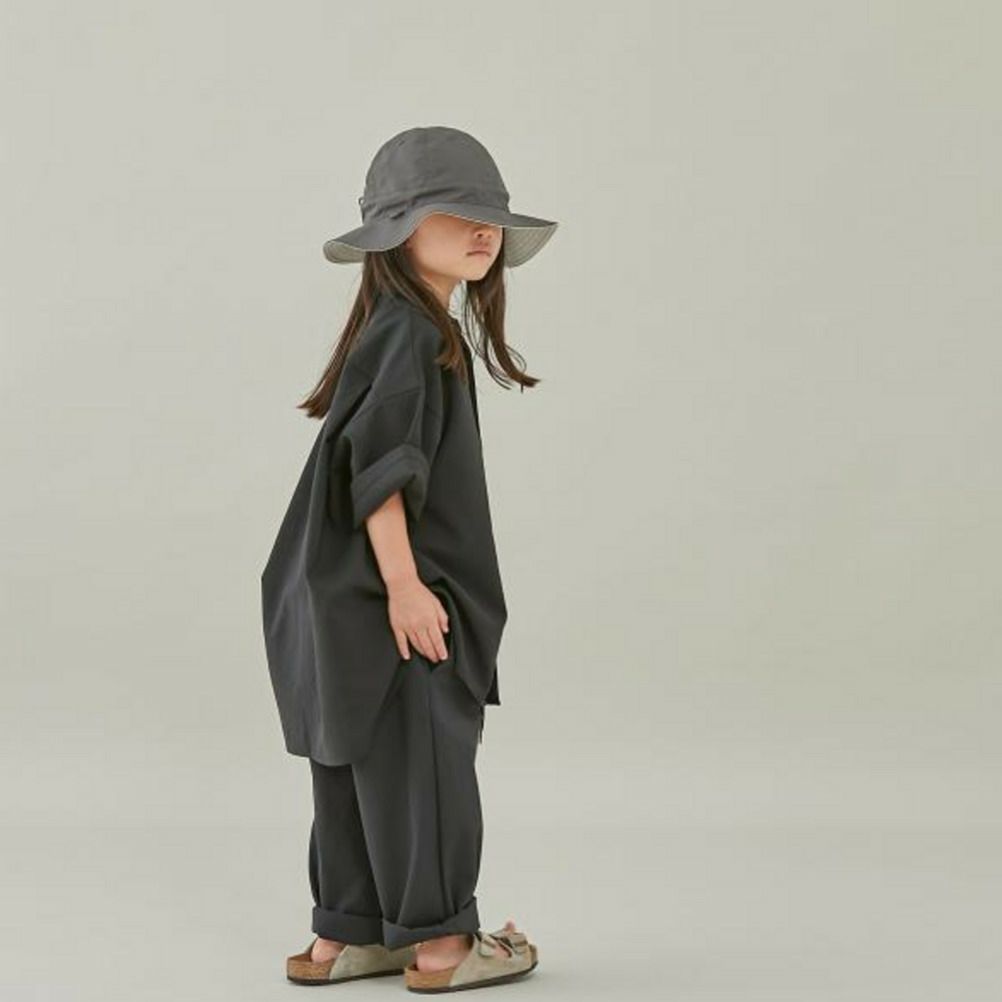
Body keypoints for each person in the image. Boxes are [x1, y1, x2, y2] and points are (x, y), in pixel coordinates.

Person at [260, 126, 558, 992]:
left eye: (490, 216)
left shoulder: (397, 328)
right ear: (396, 232)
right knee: (425, 763)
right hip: (390, 594)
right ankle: (439, 946)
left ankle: (346, 936)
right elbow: (382, 471)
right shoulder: (415, 334)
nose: (483, 230)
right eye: (456, 212)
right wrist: (405, 586)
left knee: (357, 765)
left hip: (329, 595)